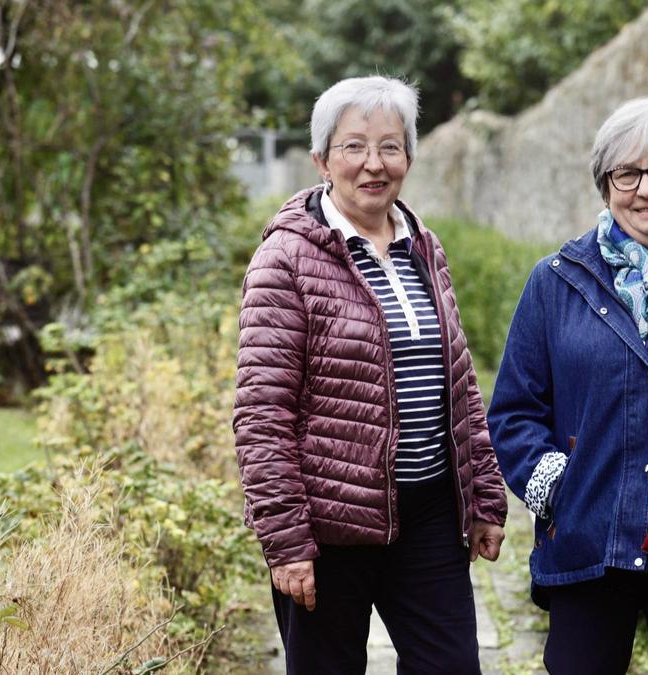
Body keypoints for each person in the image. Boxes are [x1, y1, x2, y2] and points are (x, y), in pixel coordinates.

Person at [232, 76, 507, 674]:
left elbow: (459, 384)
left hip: (429, 515)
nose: (373, 164)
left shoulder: (423, 246)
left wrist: (484, 494)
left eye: (390, 146)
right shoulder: (286, 259)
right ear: (322, 160)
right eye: (354, 146)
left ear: (409, 156)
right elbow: (262, 415)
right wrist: (286, 540)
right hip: (328, 526)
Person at [488, 97, 648, 674]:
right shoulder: (556, 281)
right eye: (626, 174)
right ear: (605, 187)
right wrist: (560, 487)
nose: (646, 189)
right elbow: (514, 412)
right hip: (587, 541)